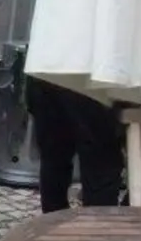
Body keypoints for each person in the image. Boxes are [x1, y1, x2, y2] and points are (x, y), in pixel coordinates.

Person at [25, 76, 127, 212]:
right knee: (100, 170)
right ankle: (99, 229)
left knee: (54, 161)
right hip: (88, 76)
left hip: (43, 69)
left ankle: (54, 227)